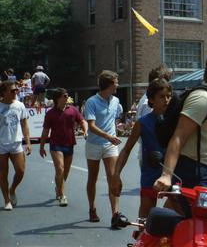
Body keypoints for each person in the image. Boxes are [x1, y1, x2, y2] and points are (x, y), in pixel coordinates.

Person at [154, 47, 207, 222]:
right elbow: (178, 137)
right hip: (193, 171)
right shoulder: (203, 98)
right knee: (197, 229)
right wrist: (167, 174)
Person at [111, 78, 171, 219]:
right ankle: (141, 238)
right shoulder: (142, 123)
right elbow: (126, 150)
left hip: (172, 174)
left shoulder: (177, 120)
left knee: (173, 216)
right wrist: (116, 176)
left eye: (169, 96)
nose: (166, 100)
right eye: (161, 97)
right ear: (151, 99)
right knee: (145, 220)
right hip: (150, 174)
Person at [83, 70, 123, 226]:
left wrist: (116, 130)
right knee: (92, 178)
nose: (118, 84)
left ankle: (115, 214)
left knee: (113, 178)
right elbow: (91, 126)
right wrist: (108, 136)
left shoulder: (116, 101)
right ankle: (92, 208)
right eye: (116, 82)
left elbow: (114, 119)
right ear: (109, 84)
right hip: (94, 144)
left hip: (109, 145)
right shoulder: (91, 102)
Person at [39, 88, 87, 207]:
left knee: (64, 173)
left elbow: (82, 121)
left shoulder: (73, 110)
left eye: (67, 95)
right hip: (56, 145)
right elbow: (45, 131)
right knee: (59, 169)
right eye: (65, 96)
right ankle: (62, 195)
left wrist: (85, 130)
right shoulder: (50, 113)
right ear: (58, 98)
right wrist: (42, 146)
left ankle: (58, 187)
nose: (67, 97)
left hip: (69, 144)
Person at [0, 81, 31, 211]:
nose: (15, 92)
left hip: (16, 143)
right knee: (3, 174)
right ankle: (7, 200)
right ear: (3, 92)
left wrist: (28, 142)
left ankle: (12, 189)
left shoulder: (20, 105)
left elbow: (24, 124)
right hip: (1, 144)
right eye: (12, 91)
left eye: (16, 90)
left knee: (21, 170)